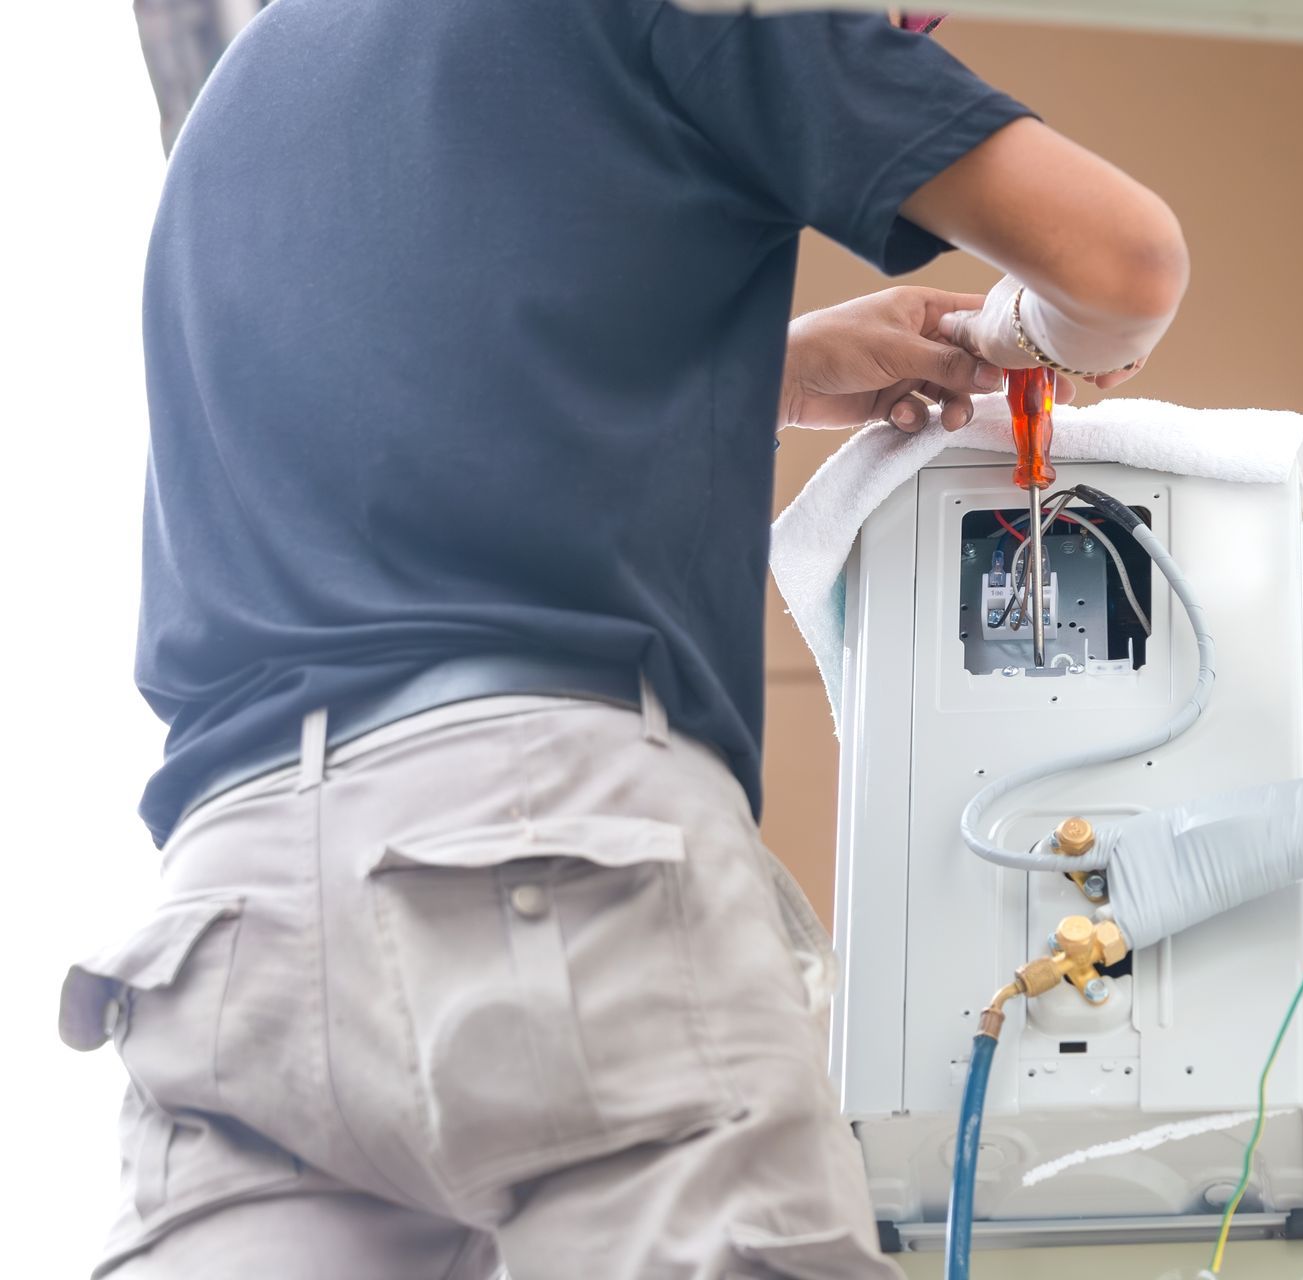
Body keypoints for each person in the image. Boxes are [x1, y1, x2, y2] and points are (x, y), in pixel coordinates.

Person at [59, 3, 1191, 1276]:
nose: (912, 25)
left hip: (227, 927)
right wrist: (1027, 332)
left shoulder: (262, 72)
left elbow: (420, 390)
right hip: (540, 842)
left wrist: (766, 368)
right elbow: (1125, 263)